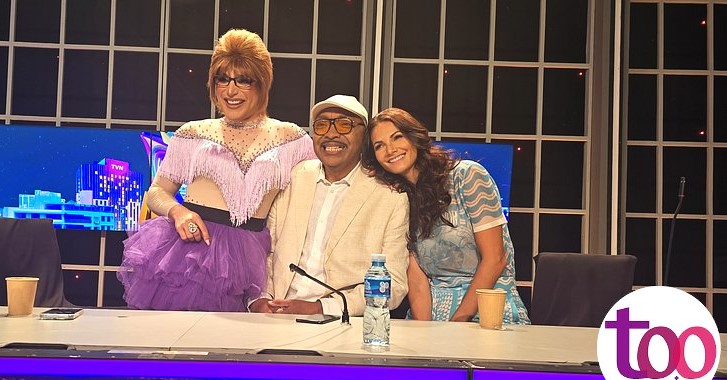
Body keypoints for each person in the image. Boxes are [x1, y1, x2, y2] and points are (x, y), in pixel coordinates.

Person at [117, 29, 316, 311]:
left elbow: (323, 184)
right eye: (223, 79)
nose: (230, 91)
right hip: (192, 258)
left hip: (256, 261)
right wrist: (179, 213)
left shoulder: (293, 140)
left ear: (262, 83)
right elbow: (157, 191)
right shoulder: (193, 134)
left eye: (243, 80)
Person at [363, 108, 530, 324]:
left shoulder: (467, 176)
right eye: (379, 146)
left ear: (414, 137)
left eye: (397, 137)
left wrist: (458, 323)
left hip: (488, 308)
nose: (390, 150)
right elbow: (417, 280)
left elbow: (495, 259)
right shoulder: (398, 200)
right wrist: (425, 333)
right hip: (431, 316)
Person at [249, 95, 409, 317]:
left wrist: (322, 307)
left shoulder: (390, 196)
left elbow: (394, 285)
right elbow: (267, 251)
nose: (331, 134)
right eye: (322, 125)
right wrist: (260, 299)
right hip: (276, 315)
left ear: (364, 136)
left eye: (344, 125)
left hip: (341, 322)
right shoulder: (293, 177)